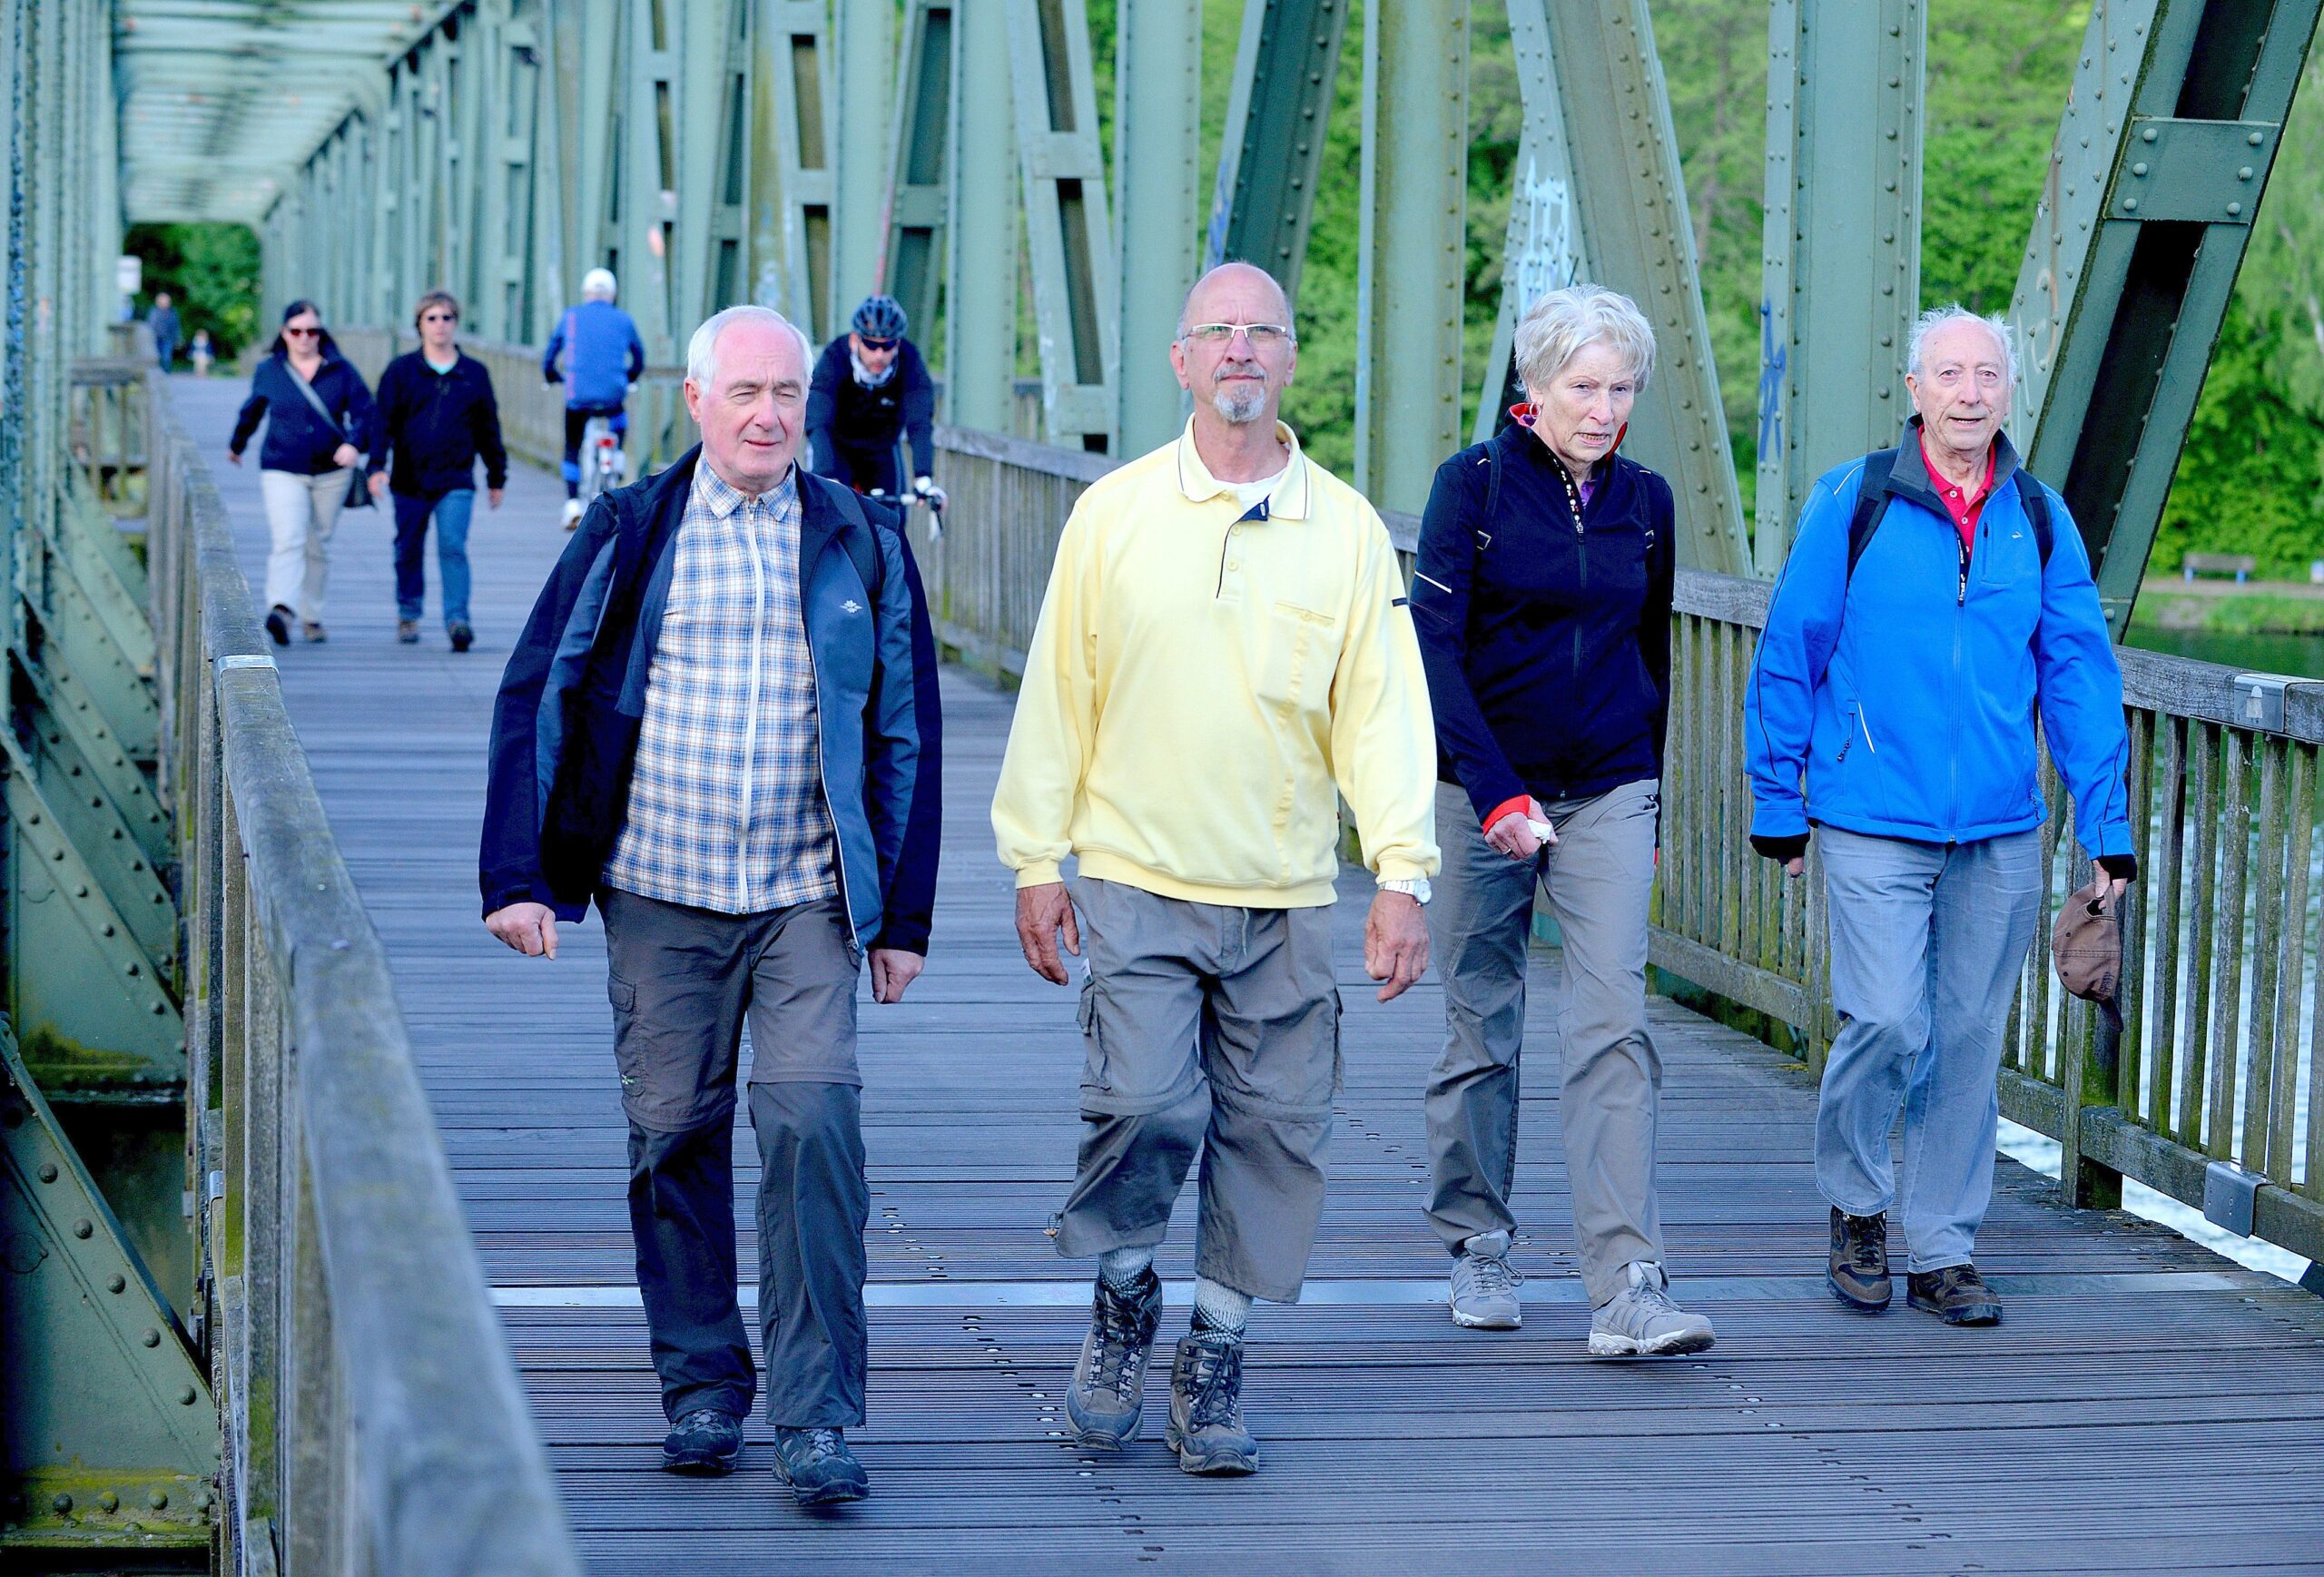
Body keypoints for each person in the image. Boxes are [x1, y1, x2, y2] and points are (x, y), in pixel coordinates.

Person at [480, 304, 943, 1506]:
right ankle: (700, 1388)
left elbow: (906, 729)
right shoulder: (634, 529)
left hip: (803, 896)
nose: (769, 414)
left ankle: (817, 1417)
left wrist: (903, 916)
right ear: (694, 400)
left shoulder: (860, 536)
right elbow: (540, 684)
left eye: (787, 392)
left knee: (811, 1132)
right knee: (672, 1137)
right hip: (660, 890)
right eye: (744, 392)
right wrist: (517, 875)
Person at [992, 261, 1437, 1478]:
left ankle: (1216, 1362)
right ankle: (1125, 1295)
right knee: (1143, 1105)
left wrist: (1402, 871)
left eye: (1265, 333)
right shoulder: (1116, 513)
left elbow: (1384, 712)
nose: (1241, 350)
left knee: (1274, 1130)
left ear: (1292, 360)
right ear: (1182, 363)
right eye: (1218, 333)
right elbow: (1058, 693)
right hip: (1134, 871)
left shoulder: (1341, 527)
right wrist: (1038, 857)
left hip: (1286, 889)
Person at [1744, 304, 2136, 1327]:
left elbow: (2079, 676)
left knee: (1966, 1036)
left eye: (1987, 375)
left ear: (2009, 391)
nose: (1969, 393)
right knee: (1885, 1017)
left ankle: (1944, 1247)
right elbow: (1791, 649)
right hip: (1872, 809)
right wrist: (1776, 800)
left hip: (2001, 824)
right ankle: (1858, 1204)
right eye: (1949, 374)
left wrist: (2108, 825)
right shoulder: (1857, 501)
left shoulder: (2037, 517)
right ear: (1912, 389)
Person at [1409, 283, 1714, 1357]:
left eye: (1620, 387)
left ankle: (1627, 1283)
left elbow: (1652, 655)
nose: (1603, 407)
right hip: (1482, 787)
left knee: (1612, 1026)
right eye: (1583, 386)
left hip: (1609, 787)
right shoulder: (1473, 487)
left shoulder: (1648, 499)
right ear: (1533, 388)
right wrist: (1491, 791)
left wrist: (1652, 793)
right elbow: (1434, 653)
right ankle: (1476, 1239)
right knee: (1479, 1021)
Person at [366, 291, 508, 652]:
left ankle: (457, 620)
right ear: (420, 325)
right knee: (408, 548)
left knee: (452, 546)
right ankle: (409, 612)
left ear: (456, 323)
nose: (440, 325)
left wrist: (496, 476)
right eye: (432, 318)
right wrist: (377, 466)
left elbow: (489, 428)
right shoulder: (401, 372)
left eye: (446, 318)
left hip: (456, 478)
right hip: (409, 478)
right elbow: (382, 422)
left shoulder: (473, 374)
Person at [228, 300, 375, 646]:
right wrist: (237, 445)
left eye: (312, 331)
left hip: (331, 471)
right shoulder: (270, 370)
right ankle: (282, 609)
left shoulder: (341, 370)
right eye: (297, 331)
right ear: (284, 333)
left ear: (320, 333)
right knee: (288, 539)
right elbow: (252, 410)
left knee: (318, 544)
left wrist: (354, 444)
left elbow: (367, 412)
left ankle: (312, 615)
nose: (305, 338)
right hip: (283, 467)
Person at [542, 266, 646, 527]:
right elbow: (639, 356)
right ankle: (618, 454)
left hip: (578, 396)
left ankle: (573, 502)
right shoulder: (623, 319)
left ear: (586, 293)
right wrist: (630, 377)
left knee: (573, 445)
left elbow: (550, 355)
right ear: (612, 294)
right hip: (613, 395)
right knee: (619, 417)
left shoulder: (571, 317)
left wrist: (552, 375)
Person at [806, 293, 935, 502]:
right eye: (871, 345)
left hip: (881, 449)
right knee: (832, 510)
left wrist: (924, 477)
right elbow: (818, 420)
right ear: (855, 339)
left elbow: (919, 420)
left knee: (893, 523)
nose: (879, 355)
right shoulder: (834, 358)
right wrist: (826, 474)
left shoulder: (909, 360)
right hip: (838, 447)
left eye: (887, 346)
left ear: (898, 344)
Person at [148, 291, 180, 372]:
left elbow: (176, 326)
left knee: (166, 357)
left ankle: (166, 373)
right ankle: (157, 372)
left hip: (168, 338)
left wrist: (178, 338)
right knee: (156, 356)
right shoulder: (154, 312)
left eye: (167, 300)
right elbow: (150, 325)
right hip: (156, 338)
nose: (166, 302)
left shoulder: (172, 312)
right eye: (164, 300)